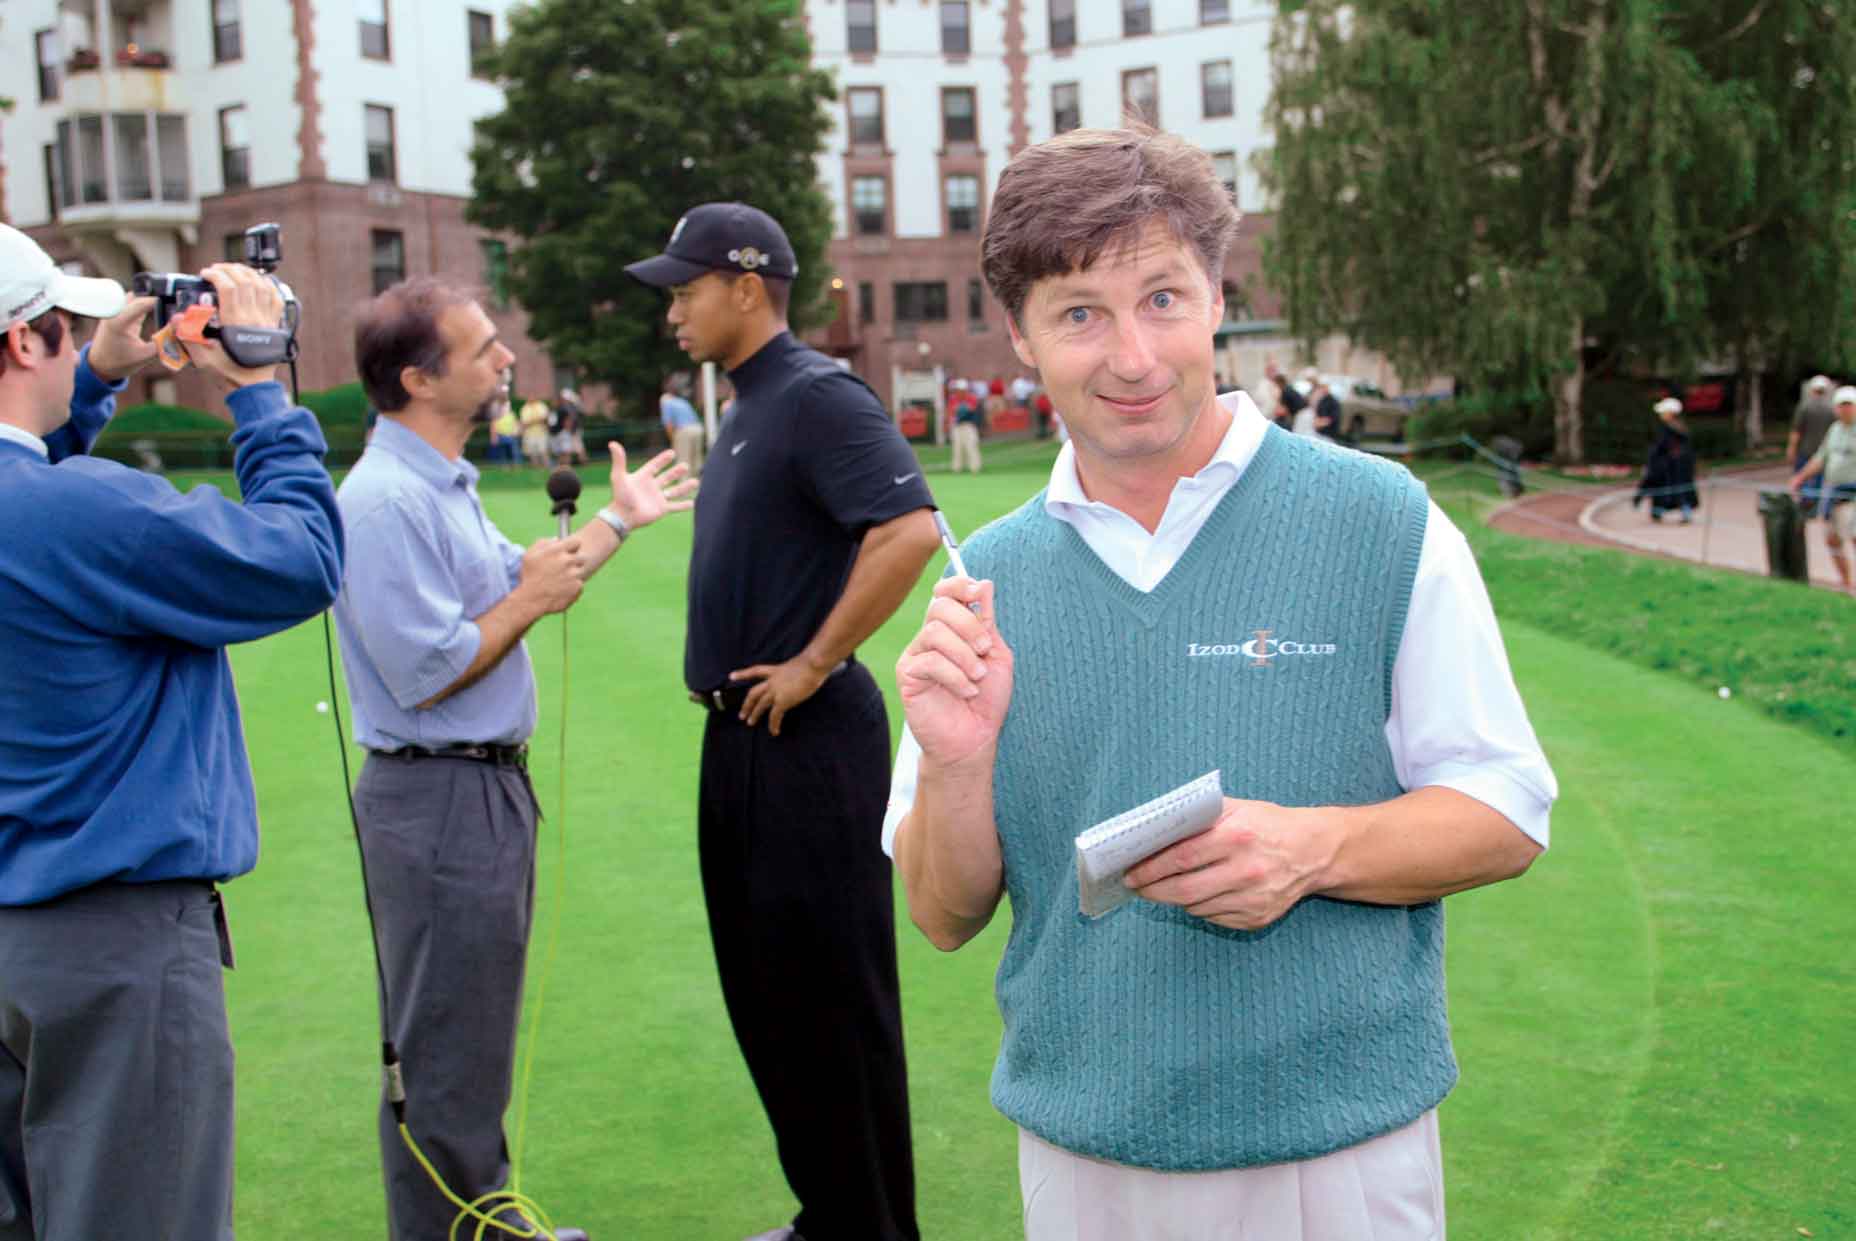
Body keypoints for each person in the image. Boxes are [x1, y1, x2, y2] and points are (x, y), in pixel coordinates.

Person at [887, 126, 1556, 1241]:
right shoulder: (983, 579)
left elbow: (1504, 810)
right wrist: (956, 763)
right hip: (1082, 1149)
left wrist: (1311, 851)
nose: (1133, 357)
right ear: (1019, 335)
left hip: (1340, 1147)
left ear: (1214, 297)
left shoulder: (1379, 519)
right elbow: (941, 911)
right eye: (1078, 313)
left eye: (1161, 297)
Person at [0, 224, 344, 1239]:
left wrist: (98, 372)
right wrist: (256, 388)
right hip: (109, 938)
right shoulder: (78, 511)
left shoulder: (45, 505)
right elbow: (301, 556)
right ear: (25, 342)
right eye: (65, 329)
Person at [332, 277, 693, 1241]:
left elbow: (528, 584)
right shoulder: (380, 501)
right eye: (483, 347)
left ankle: (483, 1221)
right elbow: (428, 669)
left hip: (477, 791)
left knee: (470, 1036)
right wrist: (530, 597)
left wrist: (614, 521)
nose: (506, 360)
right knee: (444, 1043)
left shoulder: (439, 482)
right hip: (437, 794)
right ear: (418, 377)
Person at [626, 202, 939, 1241]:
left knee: (830, 1006)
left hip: (807, 742)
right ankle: (831, 1215)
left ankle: (870, 1229)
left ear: (746, 286)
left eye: (686, 287)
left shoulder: (812, 394)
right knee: (769, 1002)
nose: (673, 307)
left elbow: (908, 527)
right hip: (744, 741)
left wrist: (815, 659)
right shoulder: (748, 401)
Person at [1789, 384, 1856, 594]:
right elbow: (1821, 458)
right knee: (1832, 538)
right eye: (1842, 405)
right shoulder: (1835, 430)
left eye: (1849, 405)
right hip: (1833, 492)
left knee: (1854, 535)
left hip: (1853, 494)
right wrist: (1800, 477)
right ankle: (1845, 582)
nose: (1845, 409)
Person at [1633, 396, 1699, 523]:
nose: (1661, 415)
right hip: (1672, 468)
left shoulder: (1672, 431)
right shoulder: (1676, 429)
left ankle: (1680, 513)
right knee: (1668, 491)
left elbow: (1661, 448)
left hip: (1673, 469)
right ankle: (1658, 512)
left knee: (1676, 491)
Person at [1787, 375, 1837, 509]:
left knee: (1803, 477)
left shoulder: (1804, 407)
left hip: (1805, 450)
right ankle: (1815, 503)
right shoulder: (1831, 408)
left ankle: (1806, 502)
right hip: (1823, 451)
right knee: (1819, 480)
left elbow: (1796, 431)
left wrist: (1791, 448)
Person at [660, 371, 706, 475]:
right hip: (698, 428)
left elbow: (668, 424)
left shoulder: (666, 401)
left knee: (683, 459)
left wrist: (672, 440)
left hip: (685, 430)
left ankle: (685, 485)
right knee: (697, 459)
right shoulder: (682, 401)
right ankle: (699, 483)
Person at [950, 379, 984, 473]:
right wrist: (961, 409)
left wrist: (961, 409)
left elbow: (970, 410)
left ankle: (975, 468)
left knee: (971, 446)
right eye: (958, 390)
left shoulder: (972, 397)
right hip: (957, 426)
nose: (960, 392)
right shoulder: (953, 398)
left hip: (969, 425)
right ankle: (957, 468)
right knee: (957, 448)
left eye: (962, 389)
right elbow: (953, 411)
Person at [519, 393, 552, 467]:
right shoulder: (525, 408)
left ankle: (547, 468)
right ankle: (536, 469)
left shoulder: (542, 406)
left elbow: (545, 419)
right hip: (529, 434)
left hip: (542, 433)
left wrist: (532, 421)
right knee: (532, 454)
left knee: (543, 452)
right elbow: (524, 423)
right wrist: (537, 420)